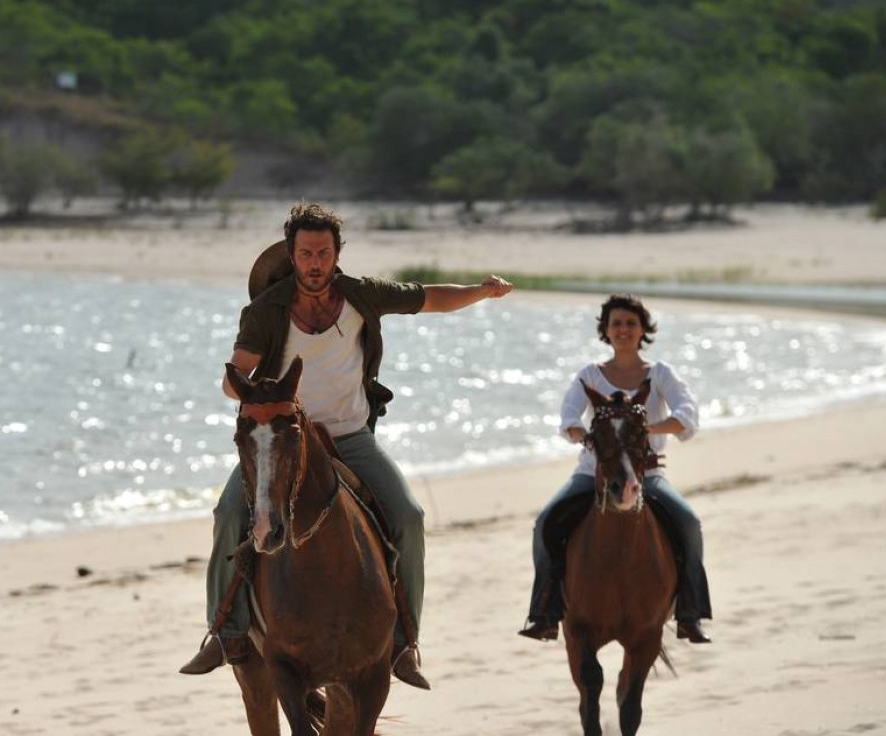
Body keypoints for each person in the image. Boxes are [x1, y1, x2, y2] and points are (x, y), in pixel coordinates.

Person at [180, 202, 513, 689]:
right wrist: (241, 388)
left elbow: (430, 298)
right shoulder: (265, 311)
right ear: (291, 255)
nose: (315, 262)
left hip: (350, 438)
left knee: (410, 517)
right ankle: (224, 632)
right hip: (287, 442)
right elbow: (239, 368)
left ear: (337, 254)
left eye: (323, 252)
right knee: (229, 512)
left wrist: (481, 292)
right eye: (305, 253)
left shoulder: (361, 295)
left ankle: (404, 642)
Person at [518, 294, 713, 644]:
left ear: (643, 330)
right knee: (545, 521)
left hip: (647, 475)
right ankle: (544, 612)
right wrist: (586, 434)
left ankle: (690, 612)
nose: (623, 330)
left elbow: (687, 418)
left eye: (631, 323)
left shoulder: (660, 374)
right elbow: (568, 420)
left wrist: (642, 430)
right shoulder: (590, 375)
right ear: (606, 330)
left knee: (689, 522)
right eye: (617, 324)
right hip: (593, 471)